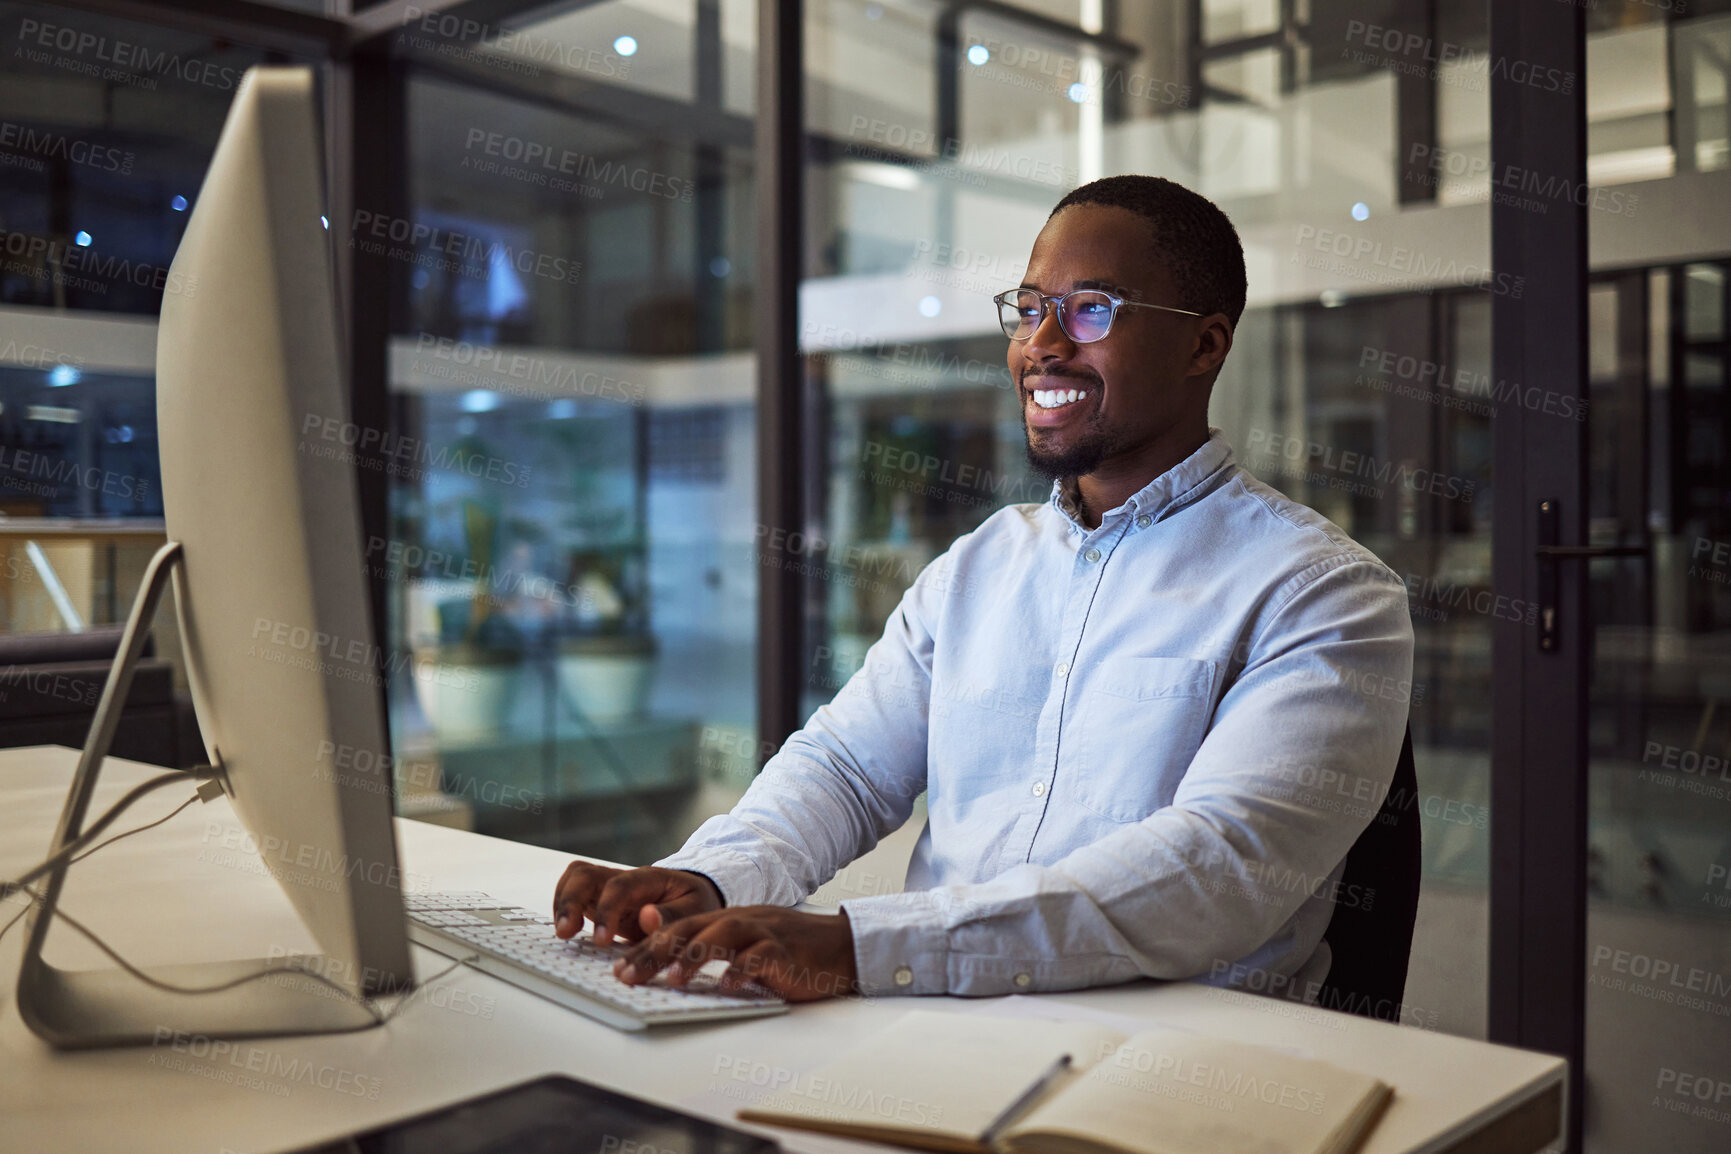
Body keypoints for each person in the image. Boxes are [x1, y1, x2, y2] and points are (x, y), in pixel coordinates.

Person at [552, 175, 1415, 1003]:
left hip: (1166, 1060)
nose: (1041, 343)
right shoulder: (978, 566)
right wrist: (708, 878)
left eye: (1090, 309)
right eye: (1030, 307)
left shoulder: (1324, 594)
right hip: (929, 1014)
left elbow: (1218, 869)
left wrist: (860, 945)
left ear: (1204, 344)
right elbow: (846, 768)